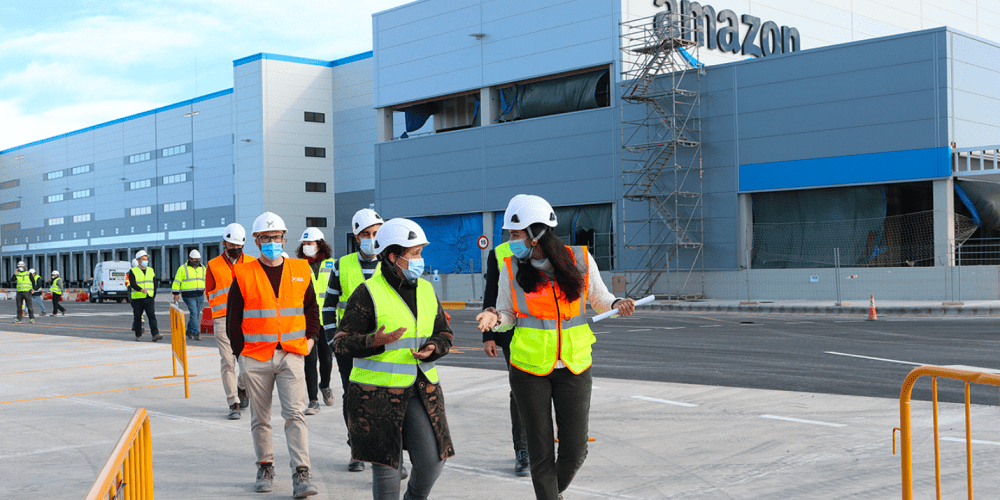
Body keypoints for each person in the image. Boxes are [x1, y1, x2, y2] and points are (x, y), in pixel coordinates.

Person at [475, 195, 636, 500]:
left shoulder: (579, 259)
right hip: (528, 368)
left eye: (515, 234)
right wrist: (494, 318)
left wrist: (617, 304)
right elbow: (508, 314)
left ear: (535, 234)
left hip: (574, 365)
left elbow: (599, 298)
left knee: (575, 450)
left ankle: (552, 491)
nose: (511, 242)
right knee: (541, 452)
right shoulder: (511, 267)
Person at [333, 217, 454, 500]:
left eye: (421, 253)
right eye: (414, 254)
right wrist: (373, 342)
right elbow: (341, 343)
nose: (420, 260)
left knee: (432, 461)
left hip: (420, 390)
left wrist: (434, 347)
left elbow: (444, 333)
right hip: (376, 395)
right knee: (388, 470)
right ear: (393, 257)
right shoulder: (368, 293)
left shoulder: (426, 290)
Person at [226, 211, 319, 498]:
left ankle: (301, 472)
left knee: (295, 414)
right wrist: (241, 356)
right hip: (255, 357)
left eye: (275, 237)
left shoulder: (301, 269)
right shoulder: (244, 273)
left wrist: (311, 340)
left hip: (291, 353)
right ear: (256, 241)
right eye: (265, 238)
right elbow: (233, 319)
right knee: (260, 417)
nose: (271, 242)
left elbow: (311, 308)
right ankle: (265, 466)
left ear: (284, 238)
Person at [323, 208, 384, 472]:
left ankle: (384, 451)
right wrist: (332, 341)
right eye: (366, 234)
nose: (372, 238)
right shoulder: (342, 265)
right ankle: (357, 449)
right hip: (349, 346)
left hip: (383, 345)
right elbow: (329, 306)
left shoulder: (391, 263)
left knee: (383, 397)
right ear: (357, 237)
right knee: (353, 398)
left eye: (376, 233)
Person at [480, 196, 531, 477]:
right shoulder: (499, 253)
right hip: (510, 332)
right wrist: (488, 335)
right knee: (520, 391)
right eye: (510, 233)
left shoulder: (553, 253)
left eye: (517, 233)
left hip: (548, 332)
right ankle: (523, 451)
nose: (513, 239)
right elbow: (491, 293)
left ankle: (543, 447)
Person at [205, 223, 253, 420]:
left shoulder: (252, 263)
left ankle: (242, 387)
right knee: (228, 362)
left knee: (249, 361)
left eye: (239, 246)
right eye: (232, 246)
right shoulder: (213, 265)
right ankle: (233, 403)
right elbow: (209, 292)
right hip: (222, 319)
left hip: (247, 319)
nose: (235, 249)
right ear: (224, 243)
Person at [296, 227, 335, 416]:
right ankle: (313, 400)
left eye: (309, 243)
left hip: (327, 320)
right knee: (309, 360)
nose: (306, 246)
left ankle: (325, 385)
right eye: (304, 243)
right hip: (307, 320)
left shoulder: (332, 265)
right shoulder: (298, 266)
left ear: (319, 245)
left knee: (326, 358)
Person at [172, 249, 206, 341]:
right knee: (194, 313)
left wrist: (206, 289)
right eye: (195, 259)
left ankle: (189, 331)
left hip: (200, 294)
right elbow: (177, 281)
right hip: (188, 295)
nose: (197, 261)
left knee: (196, 314)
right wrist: (176, 293)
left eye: (198, 259)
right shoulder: (183, 268)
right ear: (190, 259)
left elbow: (206, 279)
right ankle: (196, 332)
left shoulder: (203, 268)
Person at [129, 250, 162, 342]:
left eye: (146, 259)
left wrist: (153, 295)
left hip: (149, 297)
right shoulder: (133, 271)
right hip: (137, 298)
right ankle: (138, 335)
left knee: (152, 316)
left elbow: (154, 283)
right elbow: (132, 284)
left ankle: (155, 334)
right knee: (137, 317)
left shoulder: (151, 270)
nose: (145, 261)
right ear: (139, 260)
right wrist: (140, 289)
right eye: (143, 259)